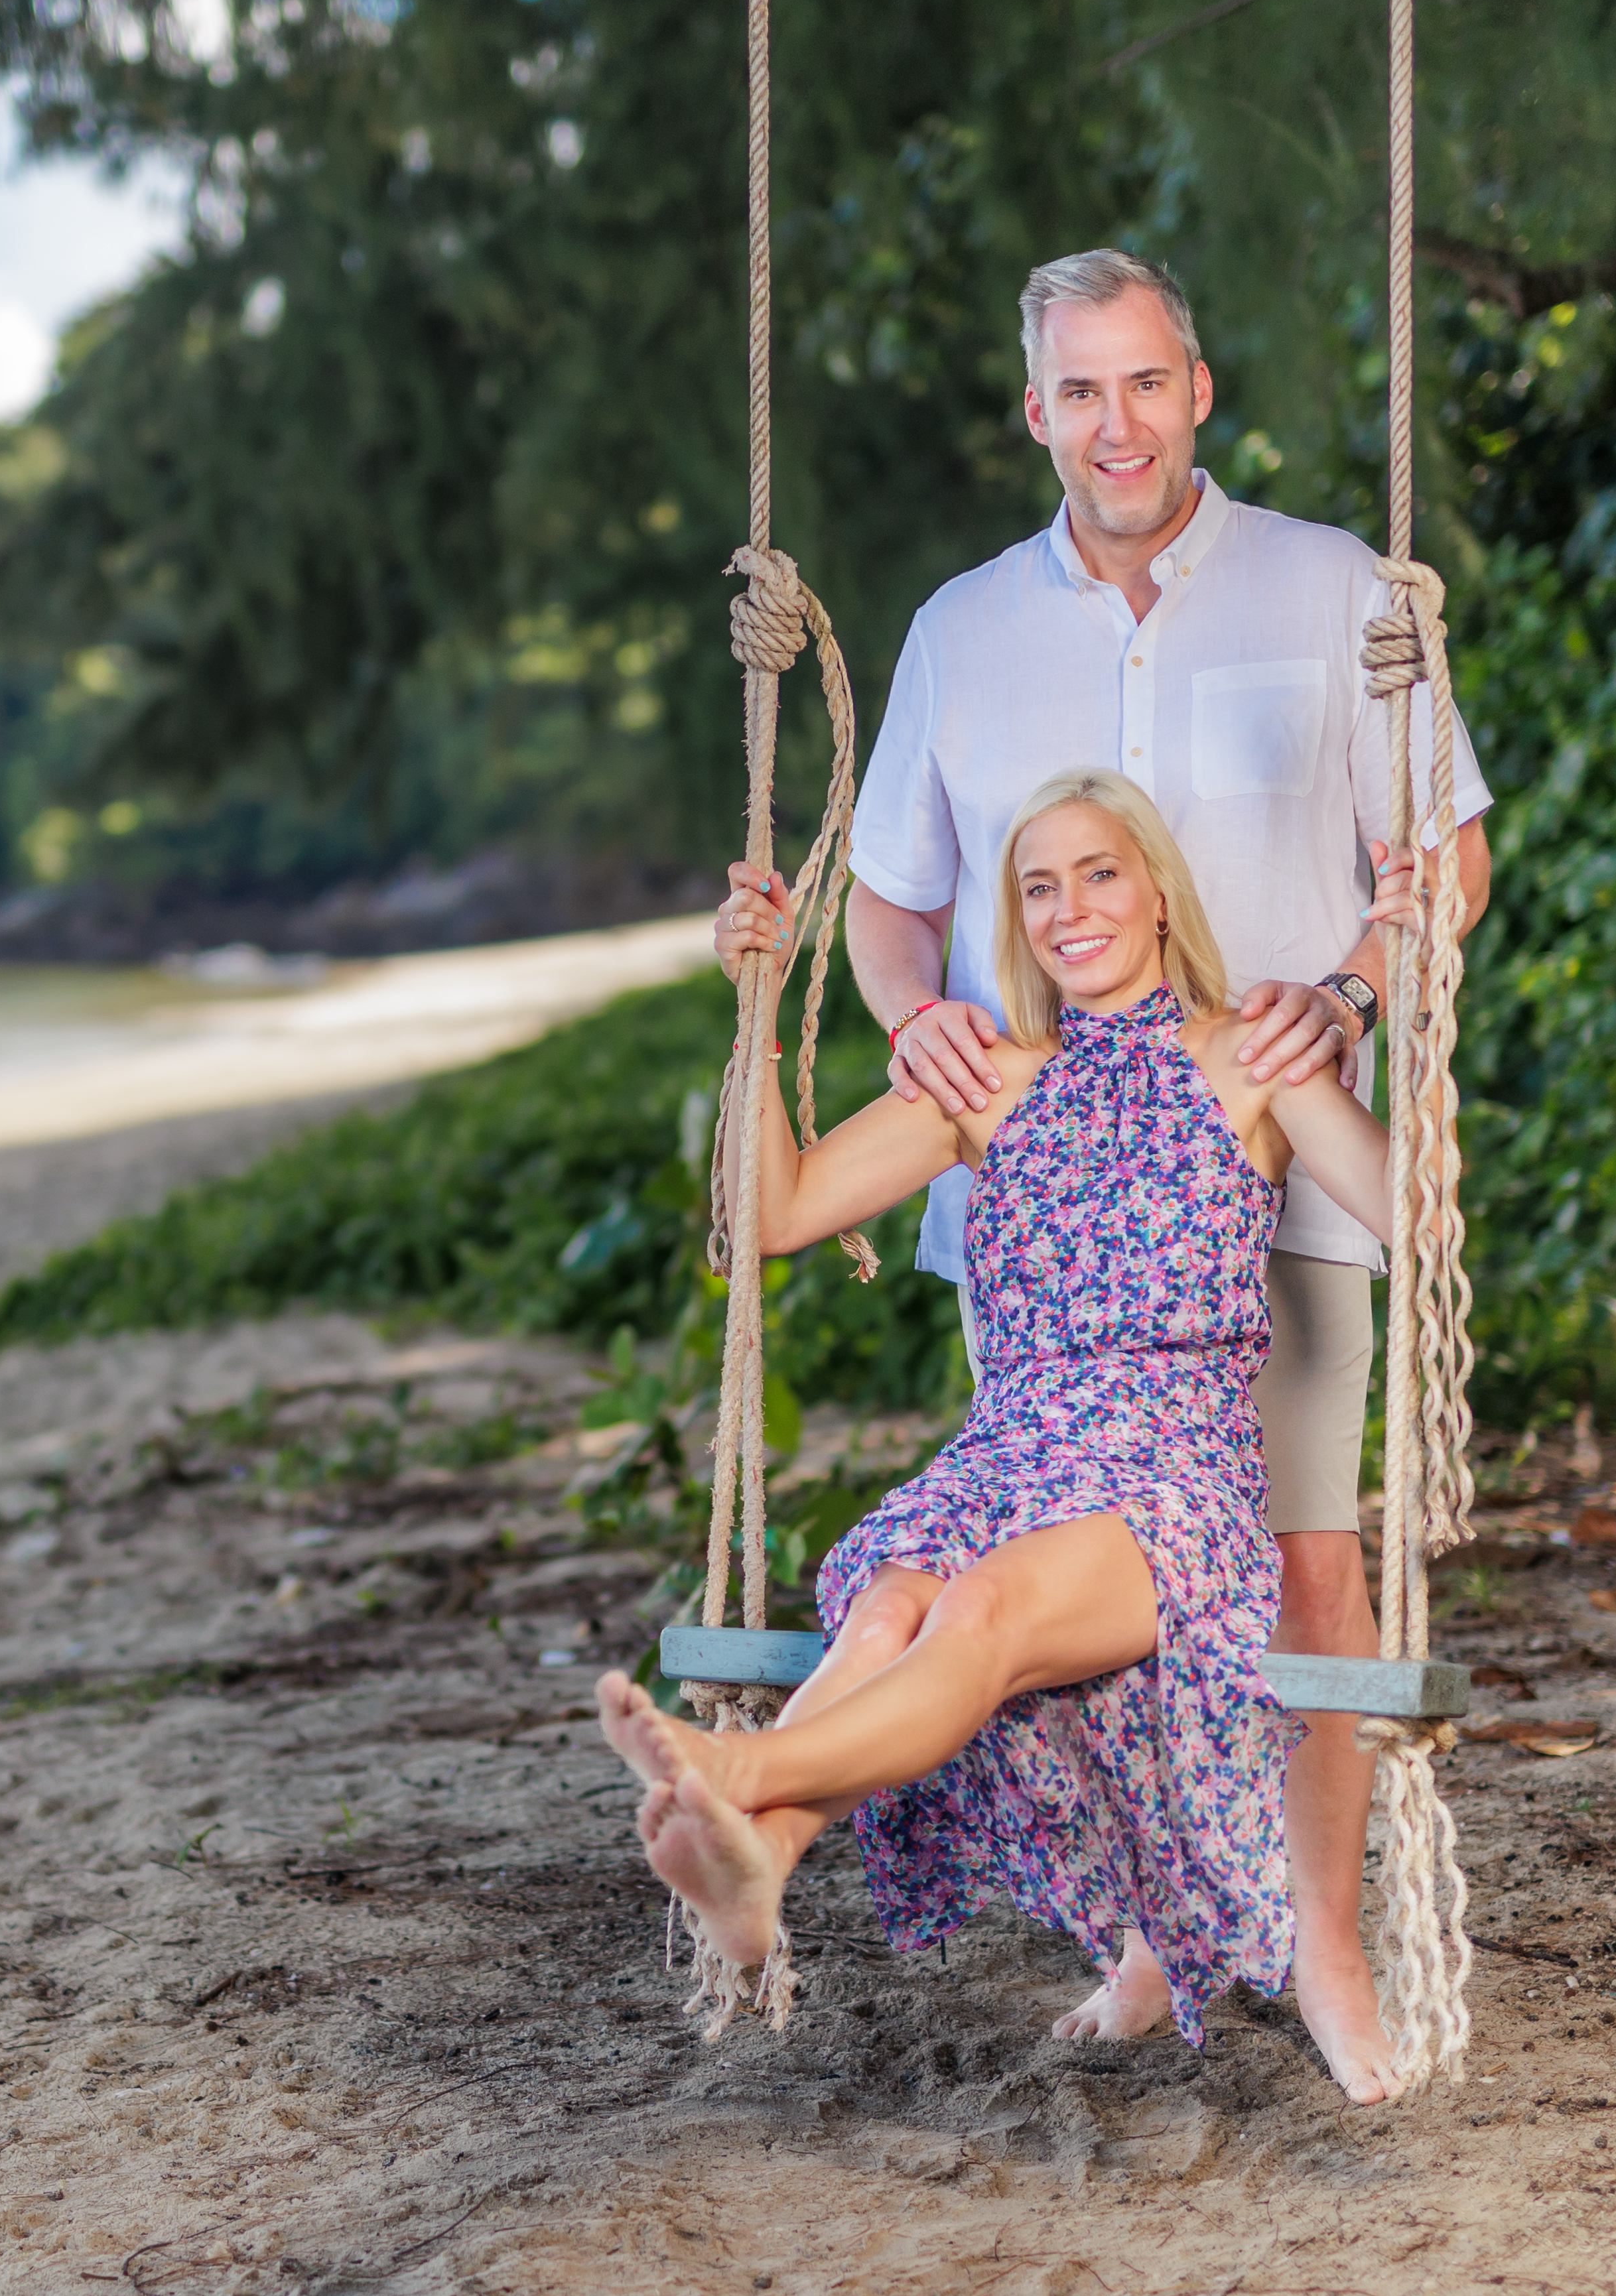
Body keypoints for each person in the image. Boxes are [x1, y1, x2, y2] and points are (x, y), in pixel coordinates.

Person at [837, 247, 1492, 2087]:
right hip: (1045, 1214)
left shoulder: (1334, 590)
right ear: (1032, 410)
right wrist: (911, 1025)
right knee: (1079, 1590)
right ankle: (1153, 1942)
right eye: (1076, 391)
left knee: (1300, 1575)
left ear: (1198, 389)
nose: (1114, 424)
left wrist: (1359, 993)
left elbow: (1445, 859)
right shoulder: (964, 628)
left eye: (1144, 383)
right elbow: (896, 912)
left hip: (1272, 1165)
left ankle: (1330, 1949)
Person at [596, 768, 1409, 2101]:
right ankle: (766, 1854)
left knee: (973, 1613)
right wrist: (756, 997)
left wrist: (1405, 979)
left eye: (1098, 872)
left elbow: (1405, 1213)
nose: (1068, 906)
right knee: (886, 1612)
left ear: (1156, 892)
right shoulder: (989, 1078)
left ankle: (742, 1772)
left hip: (1166, 1471)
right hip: (1008, 1455)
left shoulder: (1247, 1053)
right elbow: (774, 1214)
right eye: (1038, 885)